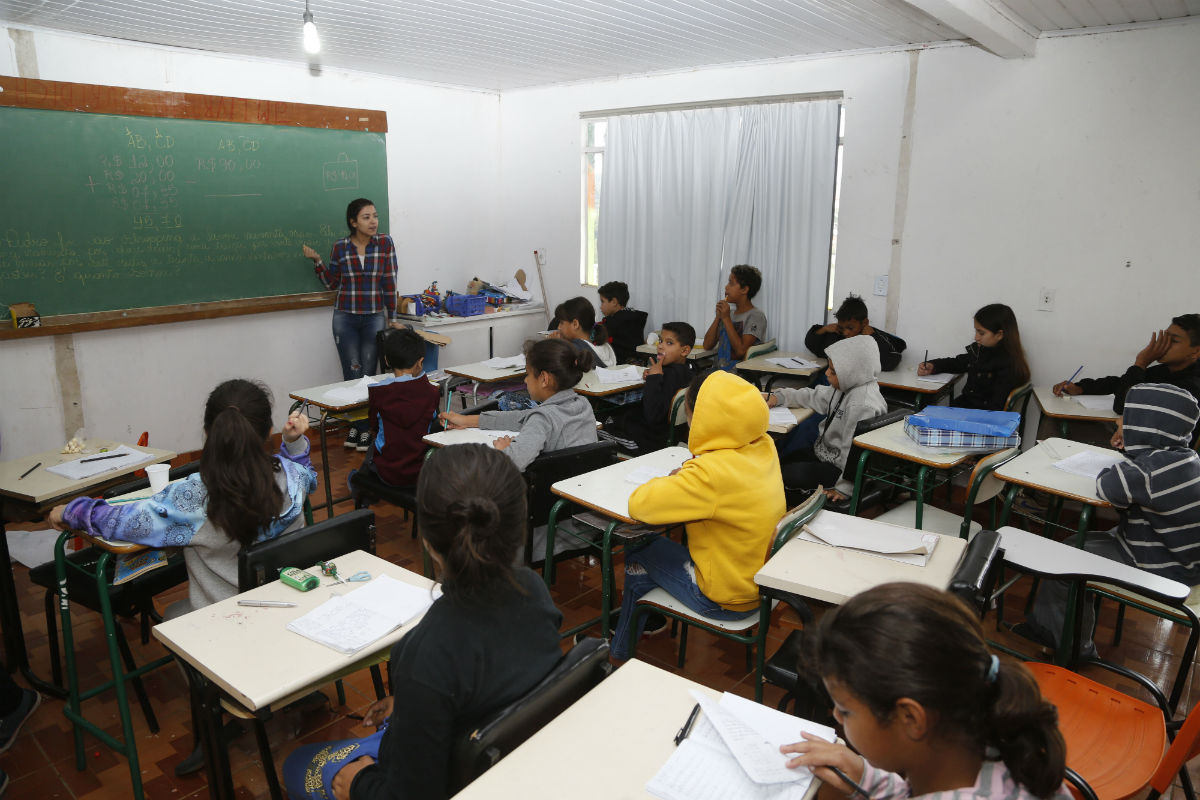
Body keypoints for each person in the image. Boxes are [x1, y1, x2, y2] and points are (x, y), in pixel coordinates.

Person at [282, 444, 564, 800]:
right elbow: (501, 680)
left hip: (445, 780)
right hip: (512, 766)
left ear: (428, 542)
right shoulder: (534, 590)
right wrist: (417, 703)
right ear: (519, 524)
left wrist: (358, 784)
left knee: (296, 765)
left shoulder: (425, 655)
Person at [49, 379, 317, 616]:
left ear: (209, 433)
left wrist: (71, 510)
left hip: (221, 619)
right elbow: (307, 474)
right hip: (287, 606)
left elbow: (123, 522)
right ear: (268, 429)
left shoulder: (194, 497)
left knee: (173, 615)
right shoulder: (293, 478)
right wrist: (293, 443)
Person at [781, 582, 1070, 800]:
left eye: (845, 710)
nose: (835, 716)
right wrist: (865, 778)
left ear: (911, 718)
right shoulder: (996, 740)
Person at [609, 369, 785, 660]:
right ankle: (636, 626)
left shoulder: (709, 473)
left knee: (639, 547)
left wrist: (680, 478)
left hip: (726, 599)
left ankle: (618, 651)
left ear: (700, 416)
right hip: (760, 585)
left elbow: (640, 504)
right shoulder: (762, 445)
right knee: (645, 569)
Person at [1017, 382, 1200, 655]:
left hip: (1159, 567)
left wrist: (1129, 455)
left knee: (1064, 563)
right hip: (1178, 559)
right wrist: (1134, 449)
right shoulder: (1185, 459)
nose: (1118, 421)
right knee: (1074, 543)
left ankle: (1073, 647)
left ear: (1146, 426)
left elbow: (1109, 486)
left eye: (1127, 417)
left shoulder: (1149, 471)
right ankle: (1048, 626)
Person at [302, 198, 401, 451]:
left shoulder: (385, 243)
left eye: (375, 216)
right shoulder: (340, 247)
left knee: (368, 375)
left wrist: (393, 318)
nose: (373, 221)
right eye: (366, 217)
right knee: (352, 373)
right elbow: (332, 283)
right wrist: (318, 262)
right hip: (345, 318)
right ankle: (359, 427)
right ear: (353, 222)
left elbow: (390, 282)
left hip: (373, 317)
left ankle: (363, 429)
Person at [439, 338, 598, 471]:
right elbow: (521, 418)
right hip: (580, 488)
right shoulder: (583, 405)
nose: (525, 380)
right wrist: (466, 420)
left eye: (528, 374)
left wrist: (503, 450)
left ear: (544, 379)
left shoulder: (542, 419)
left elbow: (512, 463)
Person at [768, 335, 888, 502]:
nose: (826, 373)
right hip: (826, 456)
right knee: (776, 463)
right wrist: (779, 397)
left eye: (832, 371)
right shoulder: (848, 386)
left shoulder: (861, 405)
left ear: (851, 373)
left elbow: (853, 454)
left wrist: (844, 489)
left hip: (840, 472)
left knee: (778, 477)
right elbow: (813, 396)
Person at [1053, 313, 1200, 416]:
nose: (1163, 344)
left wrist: (1141, 363)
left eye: (1173, 341)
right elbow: (1119, 383)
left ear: (1196, 352)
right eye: (1164, 338)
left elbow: (1124, 407)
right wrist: (1081, 388)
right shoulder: (1166, 370)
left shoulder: (1191, 386)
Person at [352, 328, 440, 491]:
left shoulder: (378, 392)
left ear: (386, 360)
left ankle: (360, 488)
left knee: (374, 445)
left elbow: (373, 426)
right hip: (420, 472)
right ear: (420, 362)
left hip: (387, 473)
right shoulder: (432, 392)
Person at [600, 322, 695, 454]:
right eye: (660, 341)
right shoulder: (688, 372)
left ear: (684, 351)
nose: (660, 346)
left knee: (594, 431)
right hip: (666, 437)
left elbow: (652, 415)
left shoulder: (670, 375)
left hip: (645, 442)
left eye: (669, 343)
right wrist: (655, 376)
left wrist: (654, 379)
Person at [919, 303, 1030, 411]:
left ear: (999, 335)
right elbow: (957, 363)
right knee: (925, 409)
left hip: (975, 416)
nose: (976, 337)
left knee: (923, 410)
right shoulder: (981, 351)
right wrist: (933, 366)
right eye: (976, 331)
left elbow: (995, 410)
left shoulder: (1009, 366)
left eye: (981, 333)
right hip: (966, 409)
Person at [805, 294, 906, 372]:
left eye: (850, 328)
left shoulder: (872, 338)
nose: (845, 332)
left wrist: (874, 337)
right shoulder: (837, 334)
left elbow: (890, 363)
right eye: (842, 327)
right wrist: (823, 330)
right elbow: (812, 345)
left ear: (864, 323)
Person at [702, 265, 767, 370]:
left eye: (731, 283)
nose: (726, 287)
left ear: (744, 289)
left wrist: (726, 318)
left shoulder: (755, 316)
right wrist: (718, 317)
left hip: (739, 373)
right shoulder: (728, 313)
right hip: (719, 371)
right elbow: (707, 345)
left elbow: (741, 351)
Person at [553, 296, 616, 367]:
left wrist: (555, 345)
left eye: (561, 323)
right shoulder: (604, 346)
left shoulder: (572, 351)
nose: (559, 327)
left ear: (575, 324)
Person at [597, 281, 648, 364]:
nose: (600, 306)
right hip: (639, 362)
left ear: (614, 302)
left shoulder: (613, 322)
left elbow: (595, 332)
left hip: (621, 364)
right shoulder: (634, 317)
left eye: (602, 301)